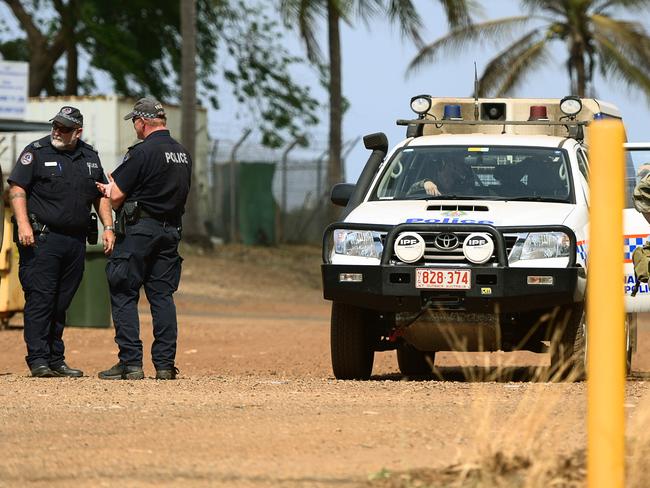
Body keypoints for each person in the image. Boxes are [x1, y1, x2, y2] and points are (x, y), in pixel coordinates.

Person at [8, 106, 115, 378]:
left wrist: (109, 226)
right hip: (42, 238)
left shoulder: (89, 156)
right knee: (41, 298)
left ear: (77, 132)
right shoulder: (37, 152)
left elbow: (100, 194)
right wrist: (22, 224)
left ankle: (56, 358)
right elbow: (17, 188)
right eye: (55, 125)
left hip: (75, 241)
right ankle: (39, 359)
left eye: (64, 128)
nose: (57, 130)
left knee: (61, 302)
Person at [96, 97, 192, 380]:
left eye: (135, 122)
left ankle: (131, 363)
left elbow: (115, 195)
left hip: (139, 231)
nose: (135, 127)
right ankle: (164, 365)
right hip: (170, 232)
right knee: (162, 297)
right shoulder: (182, 153)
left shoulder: (142, 152)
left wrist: (108, 188)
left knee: (123, 291)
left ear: (143, 122)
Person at [409, 156, 473, 196]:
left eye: (451, 177)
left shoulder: (463, 191)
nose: (447, 179)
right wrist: (424, 183)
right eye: (445, 175)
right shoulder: (431, 188)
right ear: (439, 174)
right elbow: (409, 192)